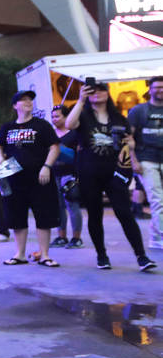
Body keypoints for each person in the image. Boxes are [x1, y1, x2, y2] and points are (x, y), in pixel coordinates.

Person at [66, 82, 154, 271]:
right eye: (92, 90)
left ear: (108, 94)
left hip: (115, 172)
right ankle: (102, 255)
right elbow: (69, 124)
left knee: (125, 213)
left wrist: (131, 148)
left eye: (101, 90)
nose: (97, 93)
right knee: (95, 215)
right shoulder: (83, 116)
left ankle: (141, 256)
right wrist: (80, 100)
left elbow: (129, 142)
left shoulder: (119, 118)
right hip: (89, 173)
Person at [0, 90, 61, 267]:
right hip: (14, 178)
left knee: (44, 215)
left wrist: (47, 166)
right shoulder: (8, 127)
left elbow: (54, 147)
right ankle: (20, 254)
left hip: (40, 177)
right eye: (23, 100)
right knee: (16, 217)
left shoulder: (42, 125)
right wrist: (0, 159)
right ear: (15, 106)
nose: (28, 102)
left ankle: (44, 255)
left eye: (30, 99)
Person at [127, 76, 163, 250]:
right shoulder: (138, 111)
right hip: (146, 160)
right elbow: (128, 138)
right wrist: (133, 161)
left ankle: (156, 238)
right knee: (157, 200)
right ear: (150, 89)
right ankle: (161, 236)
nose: (160, 90)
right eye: (157, 87)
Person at [49, 105, 82, 248]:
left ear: (66, 117)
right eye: (52, 117)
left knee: (72, 205)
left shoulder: (74, 134)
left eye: (57, 116)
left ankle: (76, 238)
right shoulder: (50, 135)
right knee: (58, 206)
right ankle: (61, 236)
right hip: (54, 173)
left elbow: (80, 153)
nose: (54, 119)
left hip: (70, 174)